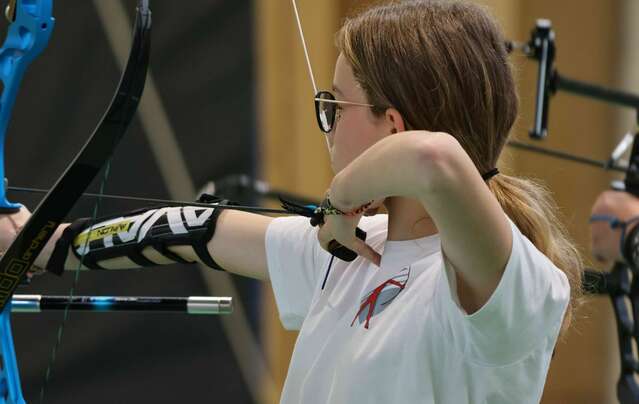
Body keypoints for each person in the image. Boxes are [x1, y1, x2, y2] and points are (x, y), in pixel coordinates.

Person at [1, 1, 583, 402]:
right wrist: (43, 246)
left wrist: (337, 203)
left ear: (393, 127)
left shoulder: (511, 284)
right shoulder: (354, 251)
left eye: (337, 107)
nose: (326, 125)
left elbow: (435, 161)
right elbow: (199, 229)